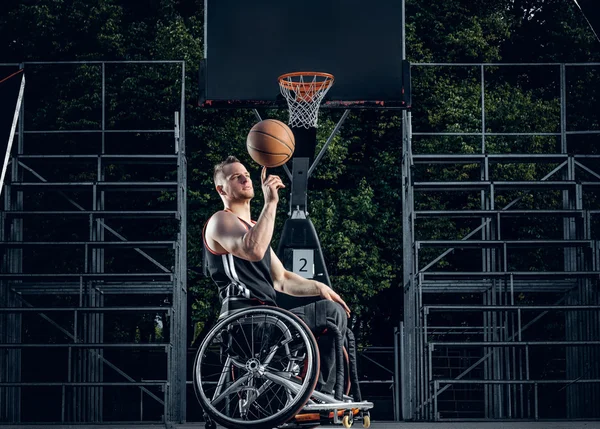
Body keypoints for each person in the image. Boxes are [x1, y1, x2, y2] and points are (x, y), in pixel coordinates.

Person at [203, 155, 351, 394]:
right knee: (331, 314)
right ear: (222, 188)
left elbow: (282, 279)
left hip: (268, 319)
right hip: (245, 321)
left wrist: (320, 288)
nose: (245, 179)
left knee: (332, 313)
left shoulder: (252, 226)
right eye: (235, 177)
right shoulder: (220, 220)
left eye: (247, 175)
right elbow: (252, 249)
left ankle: (315, 394)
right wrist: (271, 202)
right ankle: (320, 394)